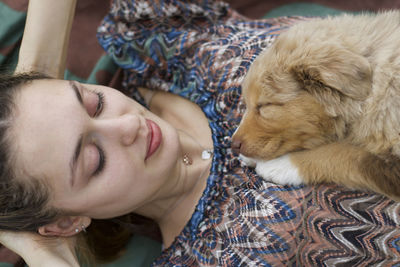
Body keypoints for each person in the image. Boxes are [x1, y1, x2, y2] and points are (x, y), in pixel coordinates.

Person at [1, 0, 400, 266]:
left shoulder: (160, 47)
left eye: (94, 103)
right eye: (95, 160)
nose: (128, 125)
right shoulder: (212, 258)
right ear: (67, 222)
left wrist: (35, 77)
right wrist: (45, 252)